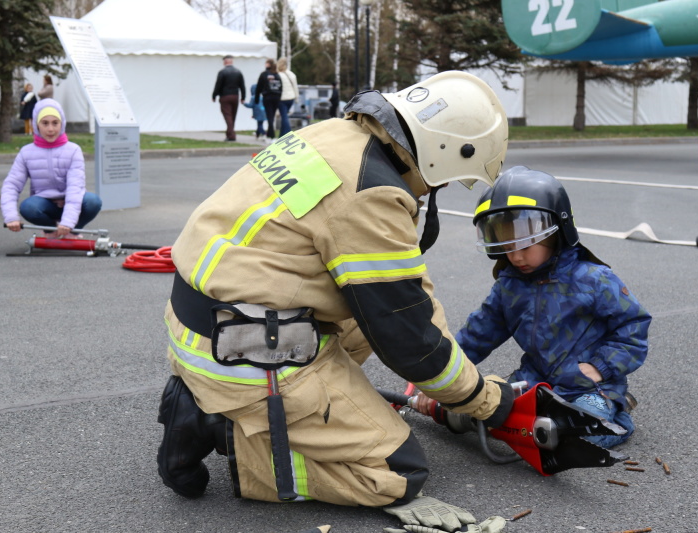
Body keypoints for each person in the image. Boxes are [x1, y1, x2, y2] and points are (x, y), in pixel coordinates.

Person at [156, 71, 514, 529]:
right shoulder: (373, 192)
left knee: (366, 319)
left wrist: (458, 381)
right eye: (448, 181)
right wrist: (483, 400)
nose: (436, 191)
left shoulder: (334, 135)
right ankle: (220, 428)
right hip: (245, 351)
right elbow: (411, 339)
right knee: (396, 472)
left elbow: (408, 302)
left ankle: (272, 407)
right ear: (445, 153)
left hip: (205, 325)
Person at [415, 166, 650, 449]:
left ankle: (616, 412)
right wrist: (439, 379)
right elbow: (477, 336)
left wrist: (600, 367)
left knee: (577, 432)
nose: (515, 256)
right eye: (507, 244)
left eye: (526, 244)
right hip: (534, 381)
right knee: (489, 413)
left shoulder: (594, 279)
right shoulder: (509, 286)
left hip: (588, 386)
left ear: (556, 231)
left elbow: (633, 327)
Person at [2, 99, 102, 238]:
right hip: (45, 205)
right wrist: (11, 216)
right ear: (36, 125)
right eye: (45, 123)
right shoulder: (26, 152)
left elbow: (75, 187)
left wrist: (68, 222)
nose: (50, 129)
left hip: (72, 202)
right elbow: (11, 185)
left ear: (62, 124)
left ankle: (72, 232)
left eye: (55, 123)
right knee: (28, 207)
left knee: (93, 201)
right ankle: (50, 231)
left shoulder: (73, 150)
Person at [212, 55, 246, 142]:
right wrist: (243, 97)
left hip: (225, 96)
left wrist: (214, 95)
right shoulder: (238, 72)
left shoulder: (222, 72)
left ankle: (231, 136)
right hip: (235, 96)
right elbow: (242, 86)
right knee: (233, 116)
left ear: (225, 62)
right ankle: (229, 133)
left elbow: (218, 85)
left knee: (228, 115)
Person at [254, 58, 282, 142]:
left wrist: (256, 98)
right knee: (271, 116)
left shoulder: (264, 74)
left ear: (268, 64)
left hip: (268, 97)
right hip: (276, 97)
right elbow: (281, 87)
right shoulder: (277, 75)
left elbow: (259, 87)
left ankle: (272, 136)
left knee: (269, 116)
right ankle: (269, 134)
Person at [276, 57, 299, 137]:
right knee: (284, 116)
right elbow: (295, 87)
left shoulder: (278, 75)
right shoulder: (292, 74)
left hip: (282, 98)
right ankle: (282, 135)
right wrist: (296, 98)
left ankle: (289, 134)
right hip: (291, 98)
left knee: (284, 117)